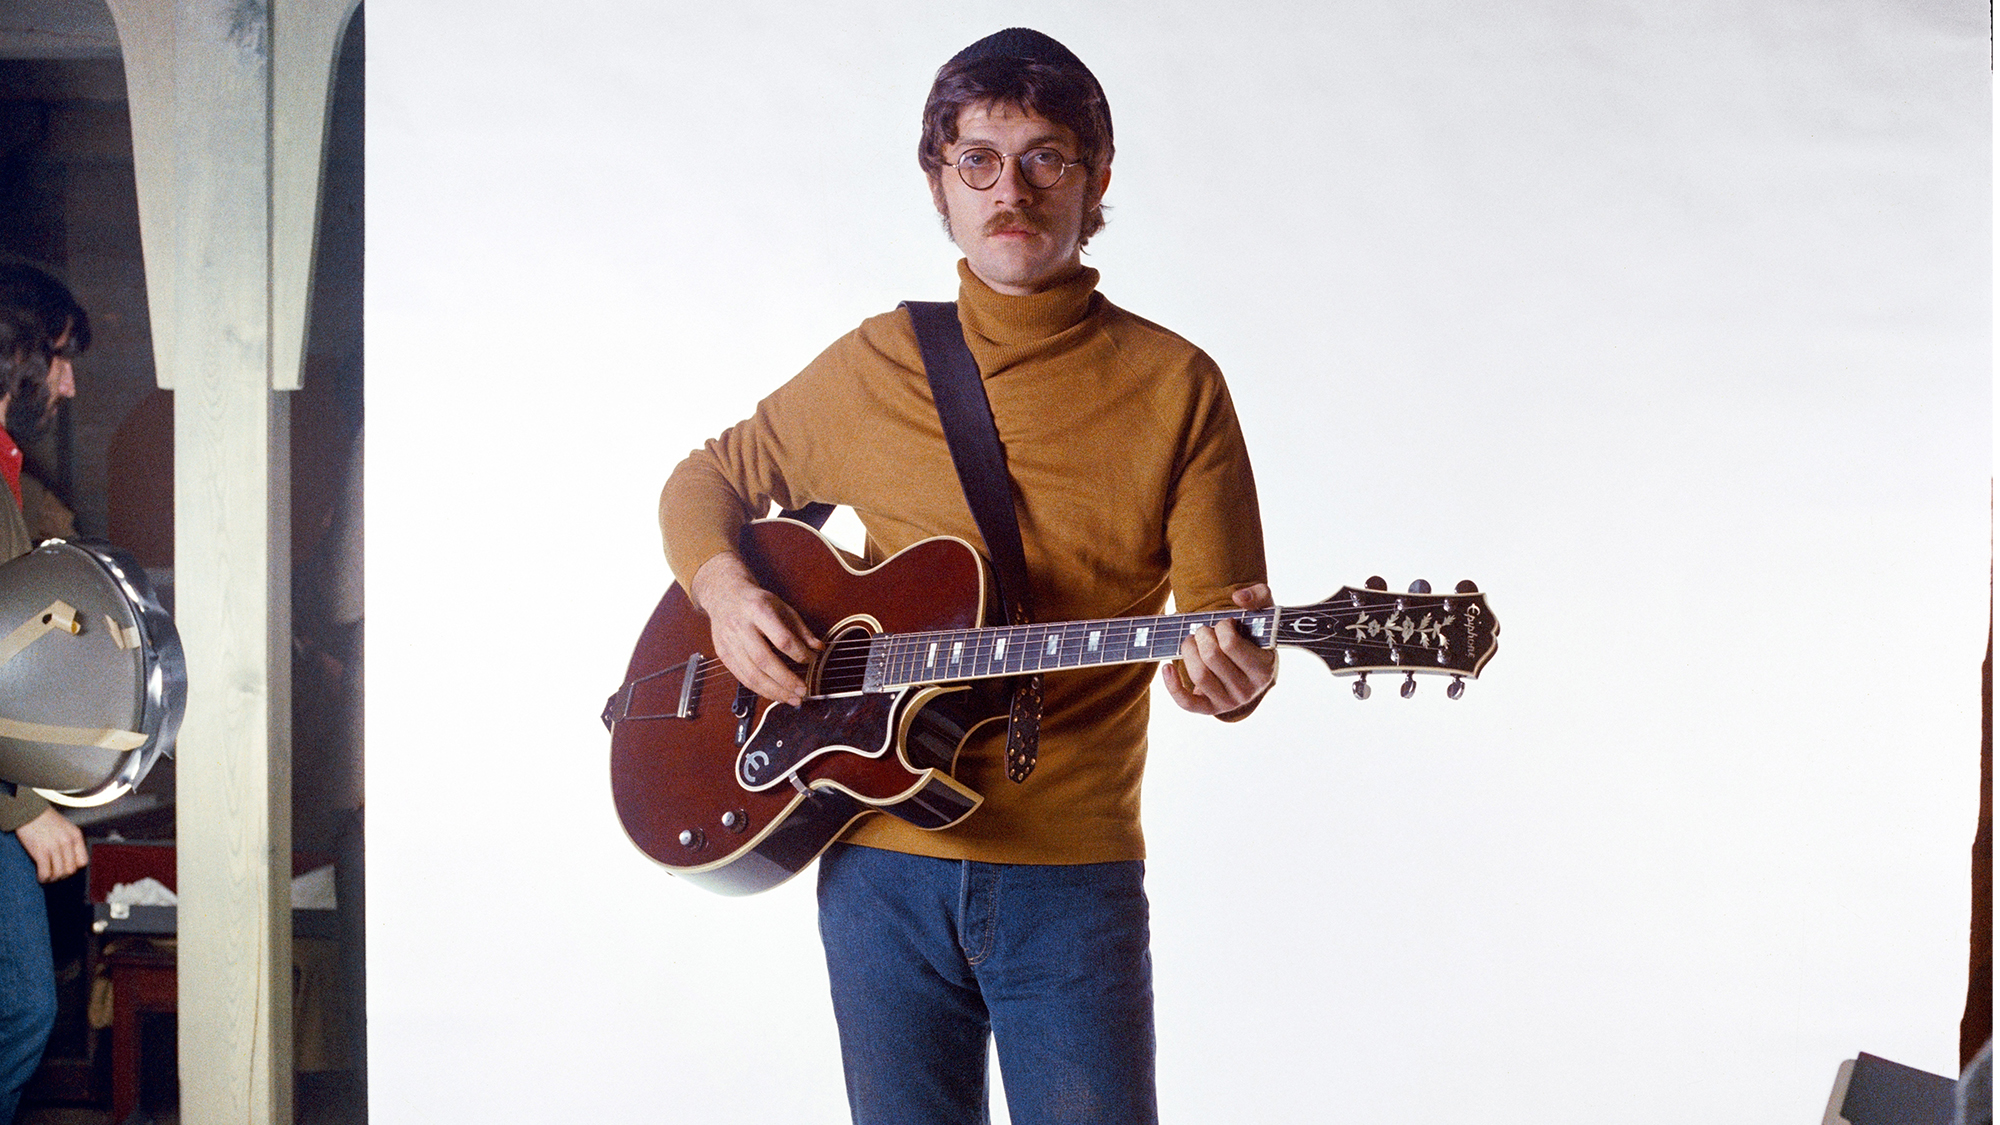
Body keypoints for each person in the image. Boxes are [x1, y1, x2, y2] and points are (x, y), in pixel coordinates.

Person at [658, 29, 1274, 1125]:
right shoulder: (874, 364)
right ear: (937, 182)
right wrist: (724, 592)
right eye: (977, 160)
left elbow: (1216, 633)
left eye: (1045, 158)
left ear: (1097, 178)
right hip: (875, 866)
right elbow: (703, 481)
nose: (1010, 191)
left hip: (1071, 879)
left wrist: (1226, 677)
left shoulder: (1177, 386)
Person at [0, 262, 89, 1125]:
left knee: (24, 1003)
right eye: (59, 359)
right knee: (24, 1004)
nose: (67, 383)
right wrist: (25, 809)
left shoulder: (9, 468)